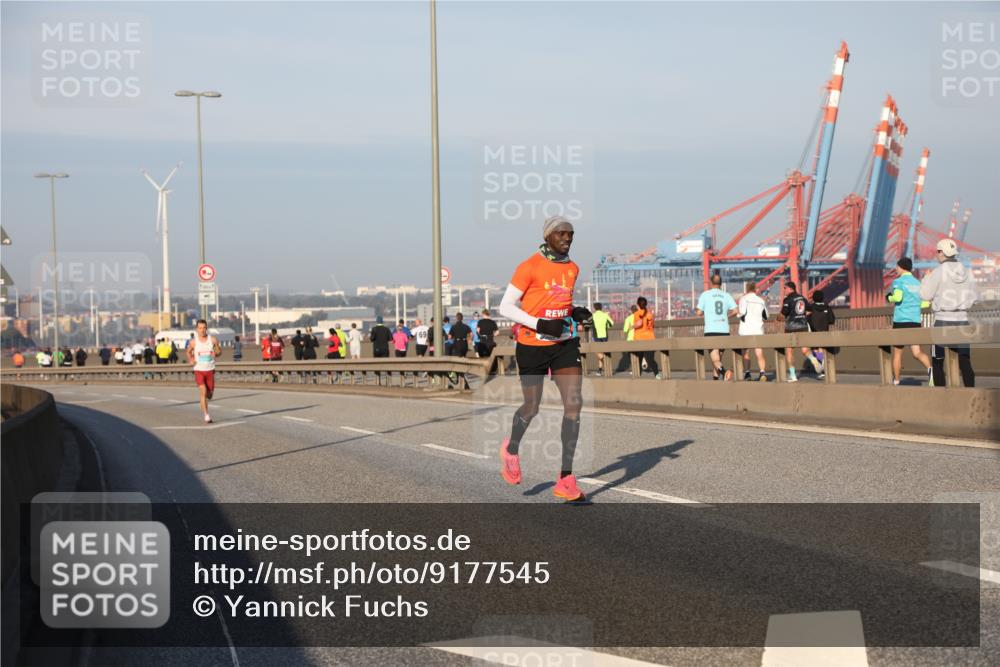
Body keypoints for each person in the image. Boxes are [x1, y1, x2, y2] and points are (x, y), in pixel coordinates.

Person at [498, 215, 591, 502]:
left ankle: (566, 477)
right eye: (561, 234)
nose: (567, 238)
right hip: (532, 344)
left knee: (574, 403)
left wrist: (574, 312)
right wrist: (539, 324)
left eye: (571, 234)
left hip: (563, 343)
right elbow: (506, 307)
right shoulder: (529, 267)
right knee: (532, 406)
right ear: (548, 236)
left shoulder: (573, 268)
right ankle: (511, 449)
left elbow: (558, 301)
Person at [920, 238, 978, 387]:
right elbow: (974, 297)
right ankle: (971, 393)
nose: (936, 254)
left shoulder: (938, 272)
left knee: (938, 361)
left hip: (942, 322)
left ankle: (942, 398)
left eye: (937, 251)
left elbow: (925, 295)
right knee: (964, 361)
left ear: (941, 253)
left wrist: (926, 278)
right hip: (963, 321)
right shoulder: (967, 271)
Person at [696, 274, 737, 381]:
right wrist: (726, 316)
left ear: (710, 282)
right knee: (719, 359)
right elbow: (736, 311)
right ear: (721, 283)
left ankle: (725, 372)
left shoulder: (705, 295)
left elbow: (699, 312)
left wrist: (705, 311)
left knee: (715, 360)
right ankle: (715, 380)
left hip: (711, 330)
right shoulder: (726, 295)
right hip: (724, 330)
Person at [778, 281, 818, 382]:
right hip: (803, 326)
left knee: (789, 351)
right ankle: (814, 360)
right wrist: (802, 316)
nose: (784, 290)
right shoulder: (801, 298)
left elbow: (783, 314)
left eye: (785, 288)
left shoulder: (787, 300)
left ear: (791, 288)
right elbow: (810, 309)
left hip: (790, 328)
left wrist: (778, 318)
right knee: (805, 349)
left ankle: (793, 376)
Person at [186, 319, 221, 423]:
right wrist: (191, 359)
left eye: (204, 328)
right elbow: (188, 352)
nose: (202, 330)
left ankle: (205, 401)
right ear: (197, 329)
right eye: (200, 328)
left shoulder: (213, 340)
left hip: (210, 370)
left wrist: (217, 353)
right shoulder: (193, 342)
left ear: (207, 328)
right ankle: (206, 415)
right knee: (203, 391)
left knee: (209, 395)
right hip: (199, 370)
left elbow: (219, 351)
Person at [737, 282, 768, 381]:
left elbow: (742, 312)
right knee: (759, 352)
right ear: (755, 289)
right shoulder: (760, 300)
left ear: (746, 289)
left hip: (745, 330)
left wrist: (737, 315)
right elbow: (766, 316)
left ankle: (747, 374)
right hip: (758, 329)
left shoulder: (743, 299)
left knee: (745, 352)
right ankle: (762, 372)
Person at [806, 289, 836, 379]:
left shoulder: (811, 307)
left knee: (815, 349)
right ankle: (823, 365)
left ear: (814, 298)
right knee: (822, 348)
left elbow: (807, 319)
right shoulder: (827, 307)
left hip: (814, 332)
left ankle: (821, 366)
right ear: (822, 298)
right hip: (824, 331)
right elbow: (831, 320)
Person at [631, 296, 661, 379]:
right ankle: (657, 374)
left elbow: (639, 323)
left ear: (638, 305)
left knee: (639, 359)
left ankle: (638, 376)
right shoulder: (650, 314)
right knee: (650, 359)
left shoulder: (637, 314)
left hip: (639, 339)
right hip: (650, 338)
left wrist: (632, 327)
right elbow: (652, 326)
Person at [589, 303, 614, 375]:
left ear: (594, 308)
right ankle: (600, 370)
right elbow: (611, 323)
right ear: (601, 307)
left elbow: (588, 324)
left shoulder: (593, 316)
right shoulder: (605, 315)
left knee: (598, 352)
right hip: (604, 335)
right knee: (602, 352)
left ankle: (604, 361)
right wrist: (606, 326)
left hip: (596, 336)